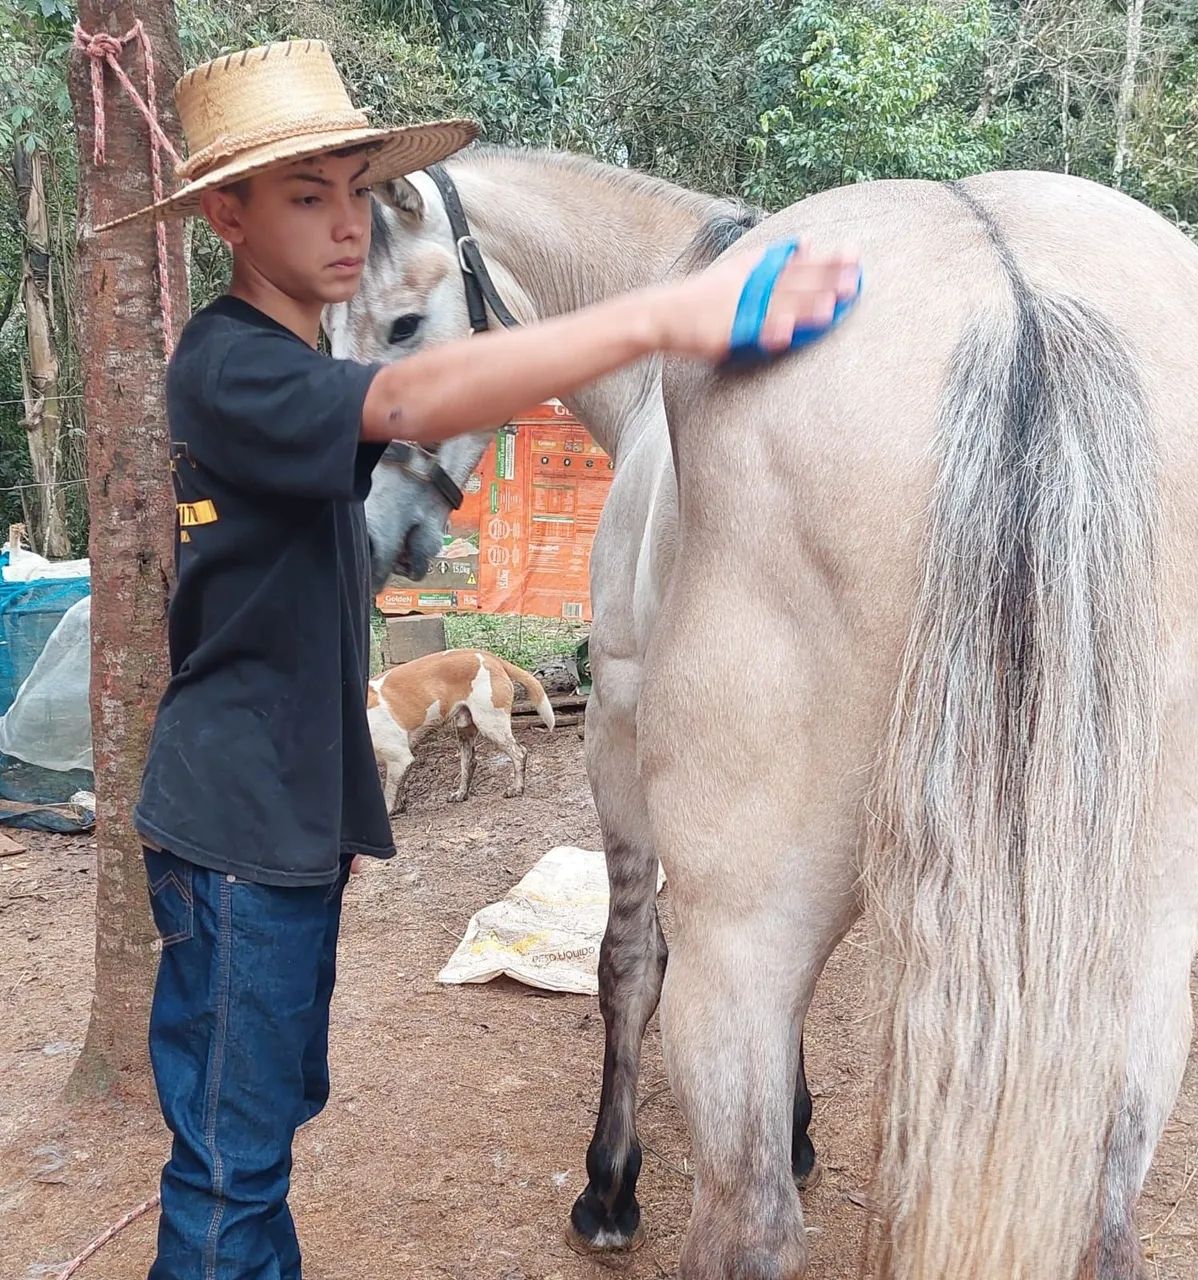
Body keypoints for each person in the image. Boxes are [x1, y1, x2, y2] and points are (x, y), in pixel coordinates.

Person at [101, 38, 860, 1280]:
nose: (345, 223)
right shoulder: (229, 363)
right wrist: (665, 314)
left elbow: (319, 578)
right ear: (226, 217)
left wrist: (340, 808)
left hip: (280, 818)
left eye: (354, 191)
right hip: (234, 830)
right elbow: (414, 400)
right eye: (306, 196)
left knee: (262, 1127)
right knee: (230, 1164)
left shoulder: (296, 371)